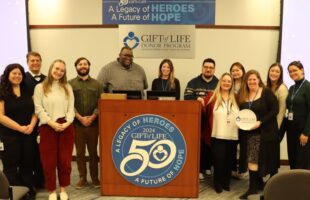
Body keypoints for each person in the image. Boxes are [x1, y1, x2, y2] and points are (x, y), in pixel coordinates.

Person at [33, 59, 75, 200]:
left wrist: (67, 122)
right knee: (49, 162)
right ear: (51, 68)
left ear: (64, 73)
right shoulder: (40, 87)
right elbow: (38, 109)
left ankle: (63, 189)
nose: (58, 72)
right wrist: (51, 123)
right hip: (47, 126)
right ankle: (51, 191)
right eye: (56, 68)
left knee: (64, 161)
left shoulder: (67, 87)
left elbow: (71, 108)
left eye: (62, 70)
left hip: (66, 127)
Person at [238, 70, 279, 199]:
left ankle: (252, 188)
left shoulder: (266, 92)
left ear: (259, 79)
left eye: (254, 79)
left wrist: (260, 122)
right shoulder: (243, 94)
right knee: (252, 158)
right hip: (247, 133)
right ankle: (257, 184)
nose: (251, 82)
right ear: (246, 81)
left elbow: (275, 110)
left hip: (263, 132)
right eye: (249, 79)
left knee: (254, 159)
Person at [0, 64, 37, 200]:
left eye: (20, 73)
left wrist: (31, 126)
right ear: (7, 75)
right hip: (9, 136)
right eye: (14, 73)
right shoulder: (2, 91)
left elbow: (35, 111)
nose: (17, 76)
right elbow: (1, 116)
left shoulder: (28, 90)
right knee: (11, 166)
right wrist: (20, 128)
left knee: (27, 163)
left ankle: (27, 190)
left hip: (28, 133)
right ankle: (13, 193)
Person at [198, 73, 239, 193]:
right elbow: (204, 111)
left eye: (229, 81)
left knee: (229, 161)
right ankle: (218, 183)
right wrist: (200, 102)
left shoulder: (236, 97)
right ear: (220, 82)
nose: (226, 83)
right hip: (217, 134)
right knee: (218, 160)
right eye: (224, 81)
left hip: (232, 135)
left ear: (231, 84)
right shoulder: (212, 96)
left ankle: (226, 183)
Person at [69, 57, 102, 189]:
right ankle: (82, 178)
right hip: (77, 125)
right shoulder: (70, 84)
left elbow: (101, 102)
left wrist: (92, 117)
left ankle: (95, 178)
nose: (83, 66)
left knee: (93, 153)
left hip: (93, 125)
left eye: (85, 64)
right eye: (80, 64)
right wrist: (80, 118)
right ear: (76, 66)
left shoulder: (97, 84)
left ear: (89, 66)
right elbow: (68, 103)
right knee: (80, 153)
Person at [184, 58, 219, 179]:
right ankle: (198, 169)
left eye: (211, 68)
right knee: (198, 143)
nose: (208, 69)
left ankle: (208, 166)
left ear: (214, 70)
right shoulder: (193, 82)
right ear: (202, 68)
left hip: (212, 119)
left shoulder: (218, 83)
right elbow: (186, 97)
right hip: (197, 119)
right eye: (206, 67)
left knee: (210, 142)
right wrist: (196, 100)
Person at [24, 51, 46, 189]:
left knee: (42, 153)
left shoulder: (47, 79)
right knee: (28, 153)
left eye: (38, 60)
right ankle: (29, 183)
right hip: (27, 122)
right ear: (27, 62)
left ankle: (42, 181)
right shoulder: (22, 79)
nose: (35, 63)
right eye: (32, 60)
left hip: (44, 121)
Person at [284, 61, 310, 169]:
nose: (292, 73)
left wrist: (306, 133)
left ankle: (303, 186)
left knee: (302, 162)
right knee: (293, 159)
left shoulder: (308, 87)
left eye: (295, 70)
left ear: (302, 70)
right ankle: (294, 185)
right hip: (291, 130)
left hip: (302, 131)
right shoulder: (291, 88)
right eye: (290, 71)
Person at [230, 62, 248, 179]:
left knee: (244, 145)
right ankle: (231, 168)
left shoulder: (247, 84)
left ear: (242, 71)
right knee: (231, 144)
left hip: (245, 118)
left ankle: (242, 169)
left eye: (238, 70)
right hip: (231, 119)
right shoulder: (229, 83)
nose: (235, 72)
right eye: (233, 70)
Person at [266, 63, 288, 129]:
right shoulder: (264, 85)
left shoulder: (282, 88)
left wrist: (276, 127)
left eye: (277, 72)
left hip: (275, 124)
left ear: (280, 74)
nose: (274, 73)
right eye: (272, 71)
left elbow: (282, 110)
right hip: (265, 122)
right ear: (269, 72)